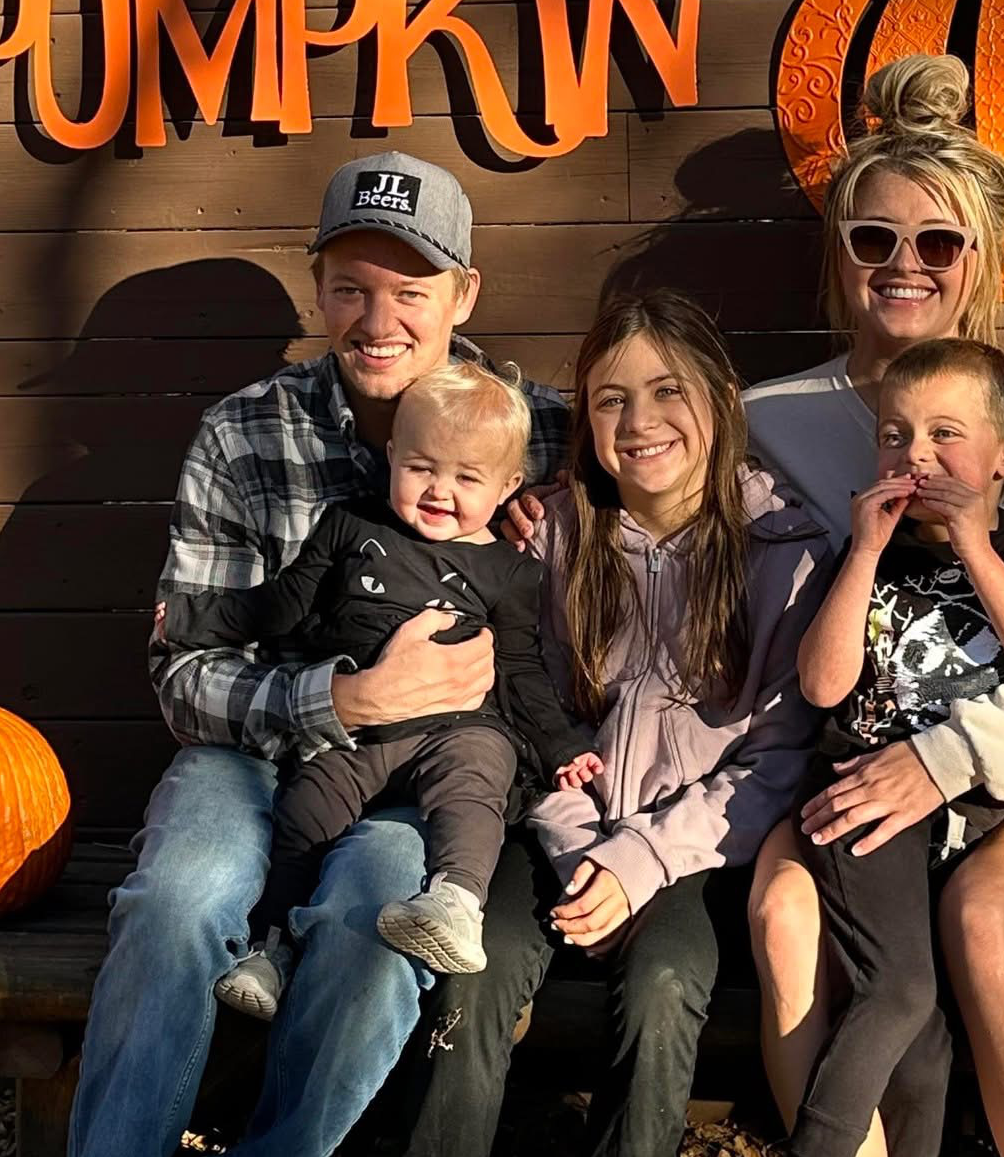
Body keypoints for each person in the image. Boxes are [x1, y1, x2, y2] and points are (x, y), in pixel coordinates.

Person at [67, 151, 571, 1157]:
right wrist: (341, 698)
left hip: (417, 781)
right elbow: (183, 673)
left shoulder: (544, 433)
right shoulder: (246, 434)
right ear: (318, 288)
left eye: (410, 291)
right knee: (177, 901)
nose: (377, 319)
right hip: (251, 758)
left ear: (464, 293)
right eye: (349, 288)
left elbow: (683, 491)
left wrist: (564, 526)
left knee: (378, 921)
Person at [743, 55, 1004, 1157]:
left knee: (984, 920)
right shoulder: (769, 422)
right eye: (873, 238)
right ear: (838, 254)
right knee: (782, 909)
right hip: (847, 770)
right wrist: (540, 501)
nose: (904, 265)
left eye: (938, 242)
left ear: (982, 259)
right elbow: (648, 497)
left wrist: (948, 758)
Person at [403, 290, 832, 1157]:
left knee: (664, 983)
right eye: (611, 399)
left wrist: (637, 862)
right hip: (554, 831)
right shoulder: (552, 536)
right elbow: (514, 709)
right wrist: (579, 846)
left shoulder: (786, 551)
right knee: (473, 967)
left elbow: (778, 756)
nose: (640, 421)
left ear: (721, 400)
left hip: (697, 852)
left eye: (668, 391)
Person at [161, 362, 600, 1016]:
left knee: (477, 777)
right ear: (391, 455)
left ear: (509, 485)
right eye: (421, 467)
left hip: (459, 729)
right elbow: (279, 606)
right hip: (363, 732)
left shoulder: (509, 572)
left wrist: (562, 746)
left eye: (467, 478)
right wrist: (189, 618)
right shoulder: (349, 527)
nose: (440, 490)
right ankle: (271, 947)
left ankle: (456, 903)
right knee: (304, 811)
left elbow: (520, 670)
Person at [783, 338, 1004, 1157]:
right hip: (863, 796)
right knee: (898, 993)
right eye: (894, 435)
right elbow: (822, 683)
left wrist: (975, 548)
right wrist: (863, 552)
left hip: (979, 810)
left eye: (943, 434)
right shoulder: (866, 551)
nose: (914, 455)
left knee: (928, 1039)